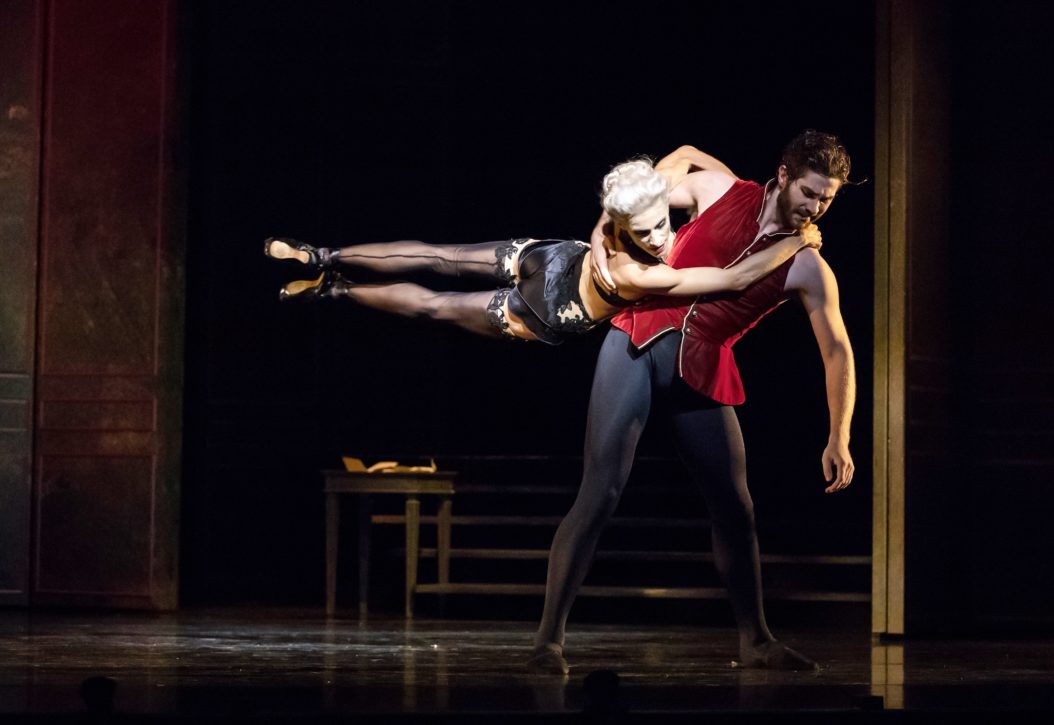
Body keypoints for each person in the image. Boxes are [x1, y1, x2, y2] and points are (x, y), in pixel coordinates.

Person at [529, 130, 857, 675]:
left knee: (737, 507)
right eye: (809, 192)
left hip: (702, 371)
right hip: (636, 341)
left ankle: (756, 640)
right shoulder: (720, 190)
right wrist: (604, 235)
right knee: (601, 489)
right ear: (783, 176)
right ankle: (547, 642)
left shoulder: (807, 266)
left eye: (827, 199)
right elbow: (636, 199)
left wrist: (839, 433)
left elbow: (838, 351)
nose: (816, 207)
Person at [263, 159, 820, 343]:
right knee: (438, 280)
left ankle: (331, 274)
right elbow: (731, 280)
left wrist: (629, 203)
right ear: (625, 228)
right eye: (646, 231)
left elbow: (683, 159)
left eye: (662, 225)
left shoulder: (617, 221)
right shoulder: (642, 276)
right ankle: (329, 269)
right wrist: (796, 241)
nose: (660, 238)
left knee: (439, 279)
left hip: (555, 267)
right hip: (551, 303)